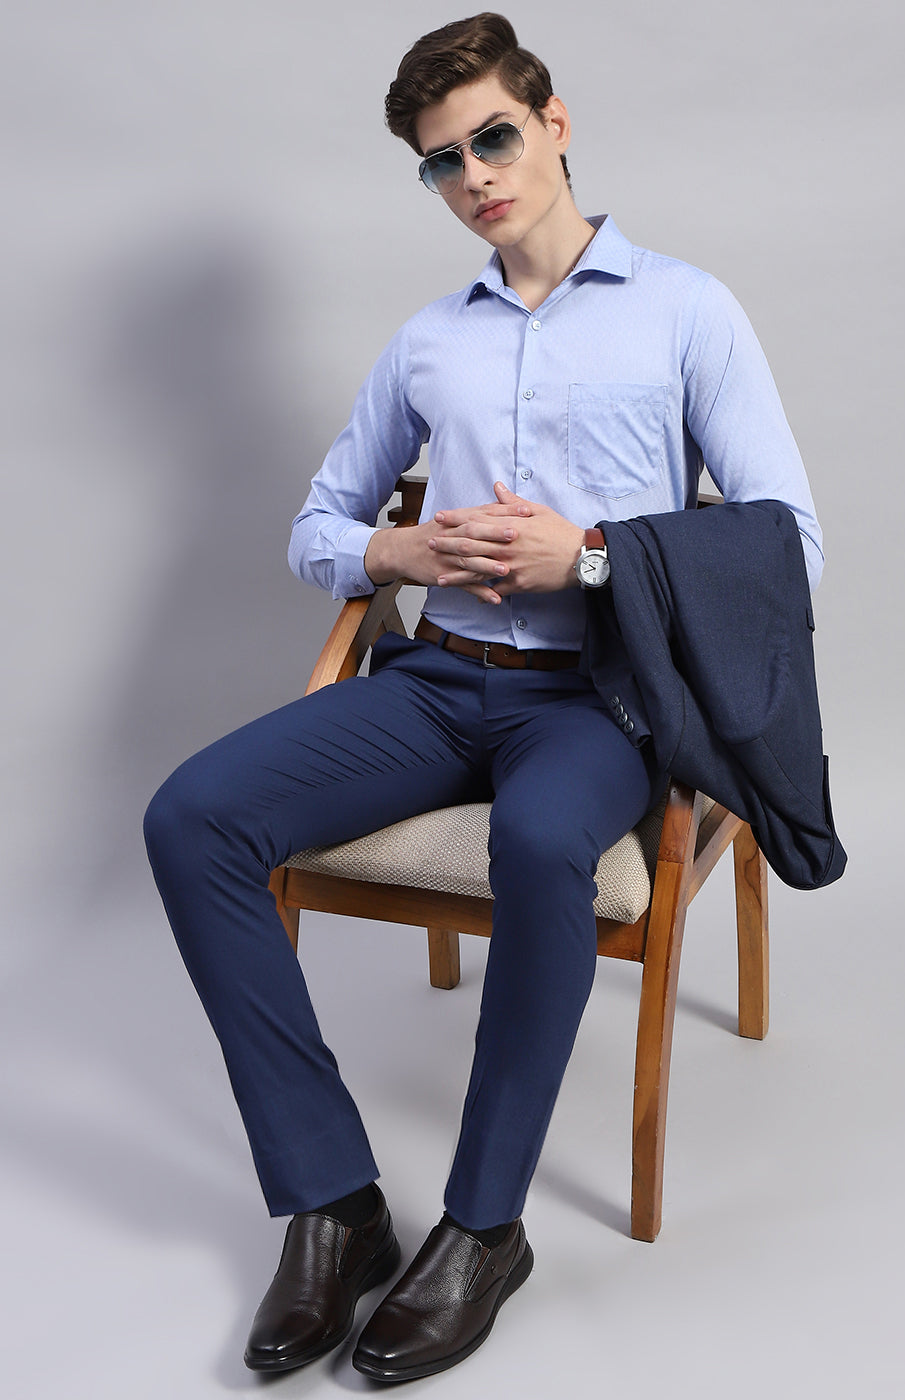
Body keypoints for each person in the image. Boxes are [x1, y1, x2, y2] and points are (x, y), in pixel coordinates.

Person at [144, 11, 825, 1384]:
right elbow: (320, 525)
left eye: (495, 139)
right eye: (443, 162)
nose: (475, 179)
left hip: (598, 701)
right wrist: (398, 554)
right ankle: (332, 1200)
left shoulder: (686, 310)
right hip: (442, 681)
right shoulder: (427, 343)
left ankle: (483, 1226)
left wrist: (591, 557)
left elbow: (788, 546)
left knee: (540, 840)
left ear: (555, 124)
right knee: (192, 816)